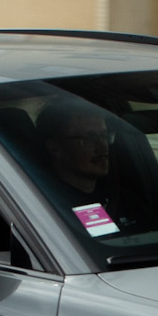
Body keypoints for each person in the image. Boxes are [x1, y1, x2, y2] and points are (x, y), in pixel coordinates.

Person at [36, 97, 144, 233]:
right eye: (88, 138)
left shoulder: (125, 201)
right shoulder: (46, 211)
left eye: (104, 135)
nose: (102, 146)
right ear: (55, 147)